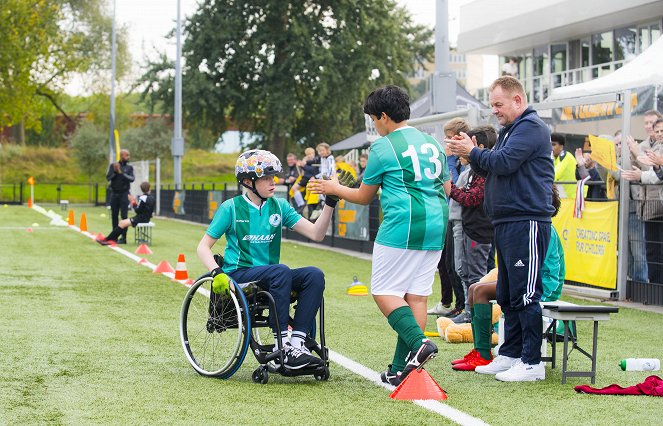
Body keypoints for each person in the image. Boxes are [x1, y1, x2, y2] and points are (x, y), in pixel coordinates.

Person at [309, 85, 451, 386]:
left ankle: (419, 343)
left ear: (384, 116)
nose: (374, 125)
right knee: (417, 296)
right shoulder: (433, 143)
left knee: (385, 292)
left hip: (402, 225)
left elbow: (363, 196)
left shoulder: (383, 148)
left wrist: (333, 189)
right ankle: (402, 369)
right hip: (437, 225)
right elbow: (448, 190)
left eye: (374, 119)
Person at [447, 76, 555, 382]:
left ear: (517, 101)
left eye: (498, 104)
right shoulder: (511, 130)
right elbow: (493, 165)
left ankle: (532, 362)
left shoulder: (532, 128)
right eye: (492, 104)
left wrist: (473, 151)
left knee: (525, 293)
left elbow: (504, 162)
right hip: (507, 223)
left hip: (527, 222)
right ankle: (510, 354)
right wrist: (468, 153)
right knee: (507, 293)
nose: (494, 110)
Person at [197, 149, 343, 370]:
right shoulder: (231, 208)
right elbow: (203, 247)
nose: (272, 183)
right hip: (240, 274)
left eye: (273, 177)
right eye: (265, 178)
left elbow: (317, 234)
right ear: (248, 181)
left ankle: (296, 343)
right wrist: (217, 272)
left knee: (314, 275)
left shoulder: (280, 206)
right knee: (280, 270)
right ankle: (281, 345)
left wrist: (330, 203)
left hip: (274, 277)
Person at [452, 185, 564, 371]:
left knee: (479, 291)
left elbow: (551, 272)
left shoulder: (544, 230)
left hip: (542, 287)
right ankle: (481, 351)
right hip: (526, 282)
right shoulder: (529, 227)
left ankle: (483, 354)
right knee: (474, 288)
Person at [447, 126, 496, 325]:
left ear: (479, 146)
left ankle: (477, 317)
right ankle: (469, 312)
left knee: (477, 275)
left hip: (480, 231)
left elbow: (472, 199)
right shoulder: (476, 170)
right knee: (466, 272)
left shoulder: (485, 172)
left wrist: (450, 189)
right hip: (470, 227)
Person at [428, 117, 471, 317]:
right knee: (446, 264)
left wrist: (448, 160)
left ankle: (463, 306)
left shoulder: (464, 161)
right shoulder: (450, 159)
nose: (446, 142)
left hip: (462, 219)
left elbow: (451, 185)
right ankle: (453, 303)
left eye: (448, 137)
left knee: (459, 265)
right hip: (448, 215)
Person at [622, 117, 663, 284]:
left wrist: (639, 155)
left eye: (662, 131)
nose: (660, 134)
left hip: (656, 206)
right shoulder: (651, 147)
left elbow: (655, 175)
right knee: (651, 251)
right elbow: (655, 173)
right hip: (647, 207)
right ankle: (654, 289)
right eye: (658, 131)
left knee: (651, 250)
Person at [106, 149, 135, 244]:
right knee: (114, 215)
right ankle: (114, 237)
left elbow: (132, 179)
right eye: (127, 155)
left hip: (124, 194)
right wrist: (115, 172)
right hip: (114, 194)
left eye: (129, 155)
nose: (128, 157)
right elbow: (108, 178)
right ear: (121, 155)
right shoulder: (113, 166)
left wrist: (121, 172)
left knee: (124, 216)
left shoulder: (129, 168)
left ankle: (123, 238)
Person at [551, 133, 577, 199]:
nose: (551, 148)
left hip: (572, 197)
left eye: (553, 144)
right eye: (550, 145)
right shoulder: (555, 158)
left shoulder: (566, 156)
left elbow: (554, 175)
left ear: (561, 146)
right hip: (564, 197)